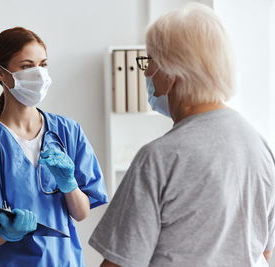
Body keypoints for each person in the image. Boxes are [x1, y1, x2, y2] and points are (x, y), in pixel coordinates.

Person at [89, 3, 275, 267]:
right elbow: (262, 252)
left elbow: (120, 264)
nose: (144, 71)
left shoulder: (159, 159)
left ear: (171, 71)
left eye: (149, 60)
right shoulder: (259, 146)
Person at [0, 27, 108, 266]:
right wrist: (6, 232)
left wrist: (69, 185)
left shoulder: (68, 132)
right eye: (26, 66)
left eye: (43, 65)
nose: (38, 74)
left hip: (63, 261)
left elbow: (81, 213)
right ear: (0, 73)